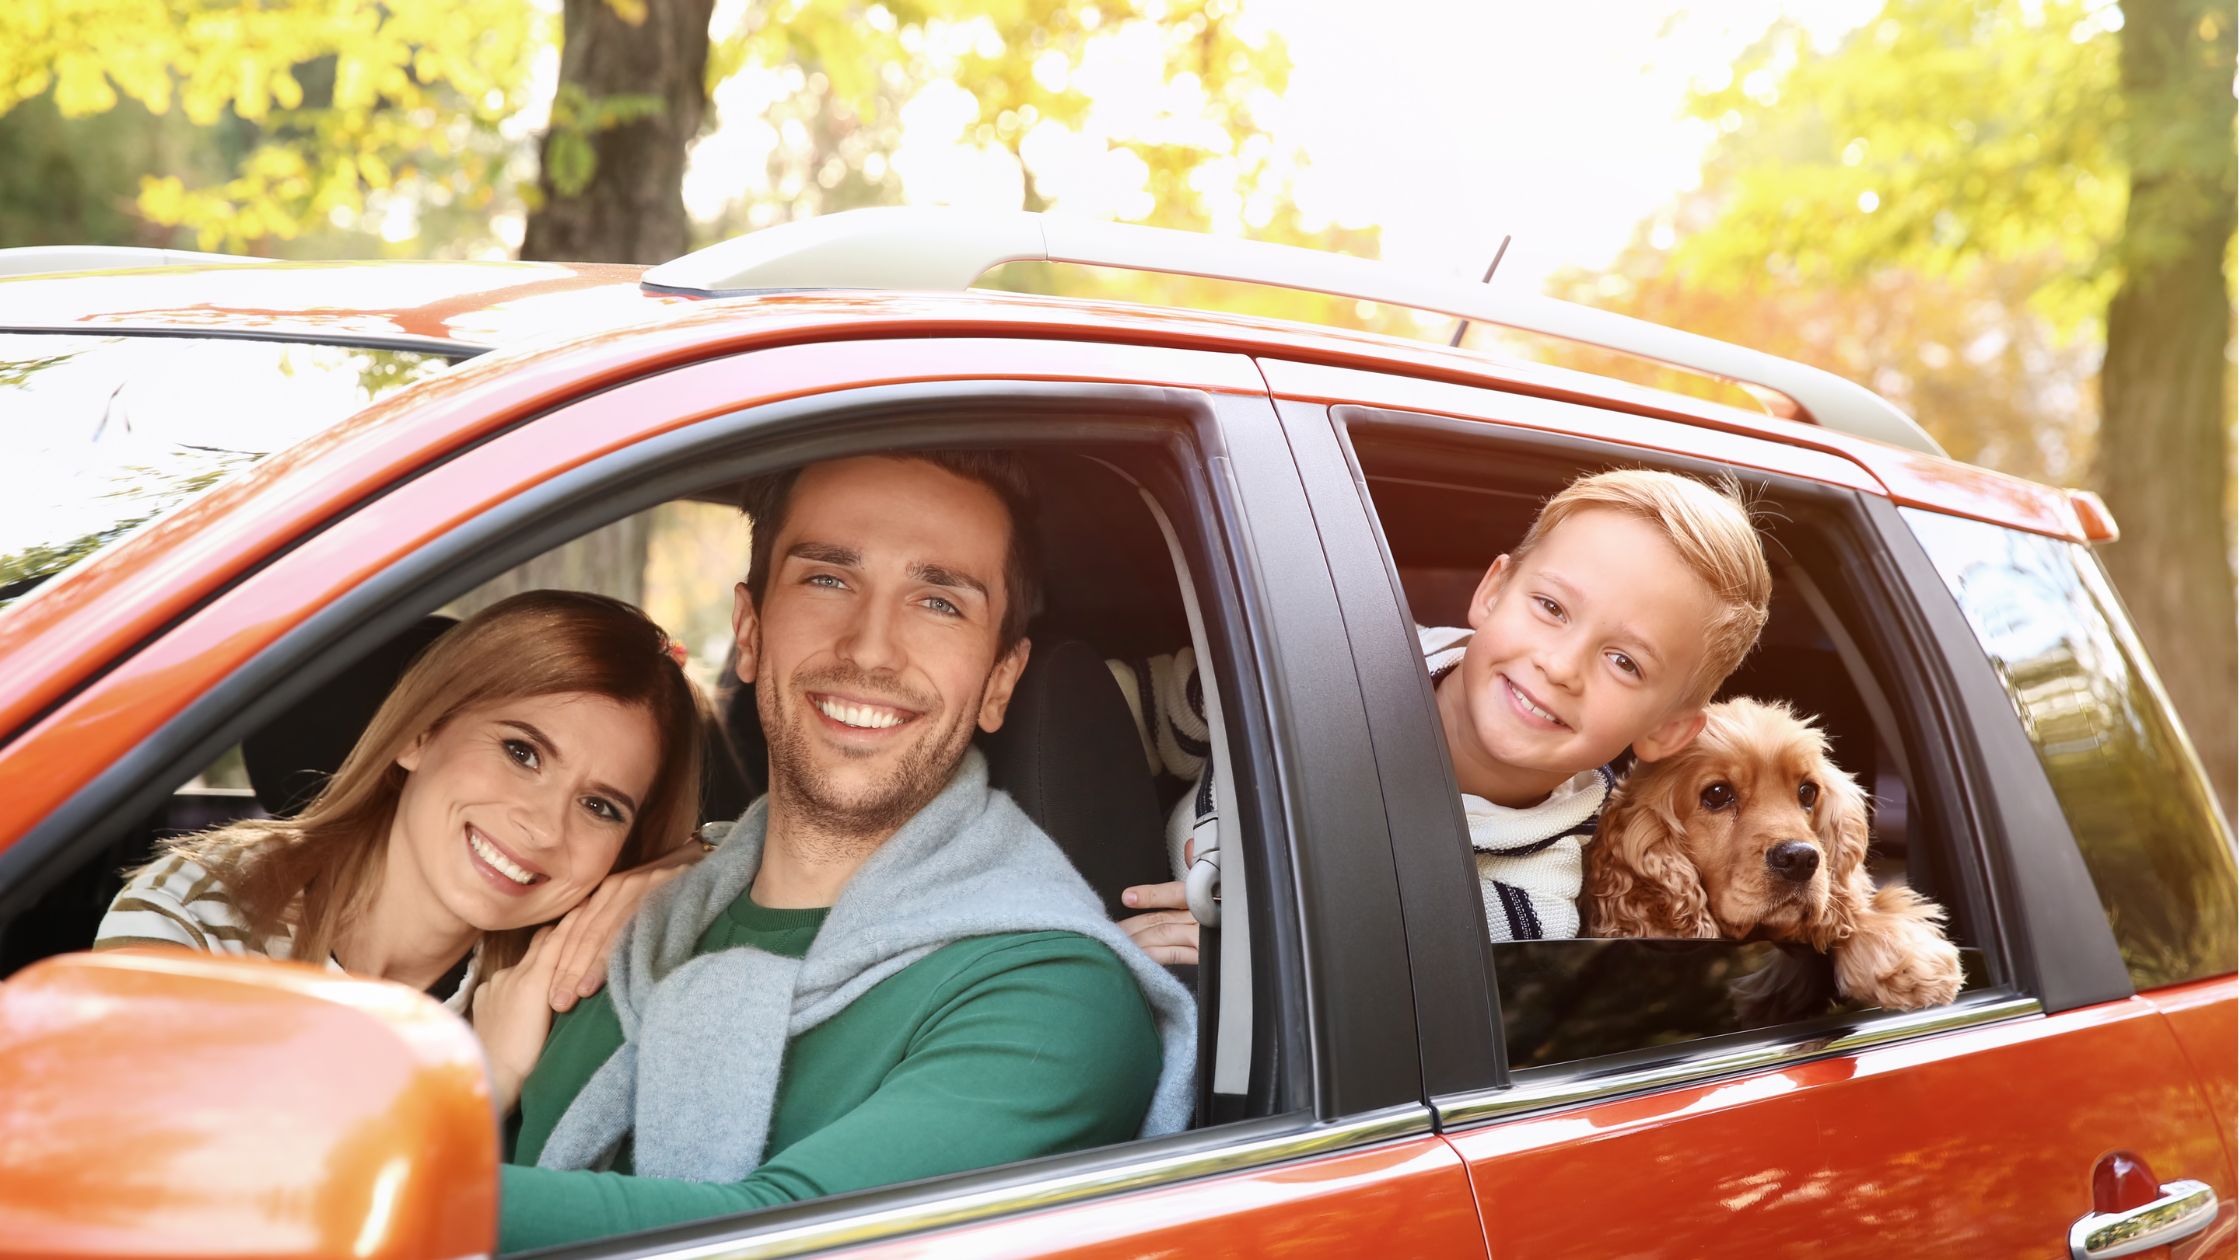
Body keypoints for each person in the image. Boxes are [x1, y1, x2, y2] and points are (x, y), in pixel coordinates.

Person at [484, 452, 1195, 1254]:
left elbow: (762, 1241)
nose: (871, 649)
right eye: (827, 579)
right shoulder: (611, 931)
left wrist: (346, 1176)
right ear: (749, 634)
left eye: (938, 601)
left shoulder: (1054, 997)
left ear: (1000, 682)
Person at [1117, 468, 1774, 963]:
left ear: (1665, 730)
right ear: (1492, 593)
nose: (1560, 666)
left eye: (1625, 662)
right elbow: (1107, 715)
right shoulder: (1316, 667)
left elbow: (1393, 975)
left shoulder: (1534, 897)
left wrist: (1271, 946)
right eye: (1550, 608)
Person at [93, 590, 710, 1015]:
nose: (546, 828)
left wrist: (696, 861)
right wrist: (487, 1080)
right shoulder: (202, 908)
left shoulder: (566, 984)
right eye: (522, 753)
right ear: (419, 731)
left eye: (601, 807)